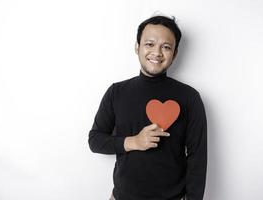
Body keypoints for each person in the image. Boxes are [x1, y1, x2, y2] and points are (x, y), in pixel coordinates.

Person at [88, 15, 207, 200]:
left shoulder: (189, 98)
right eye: (149, 44)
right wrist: (134, 142)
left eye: (166, 47)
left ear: (174, 54)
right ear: (137, 47)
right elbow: (95, 140)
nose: (157, 52)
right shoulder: (116, 92)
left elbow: (197, 157)